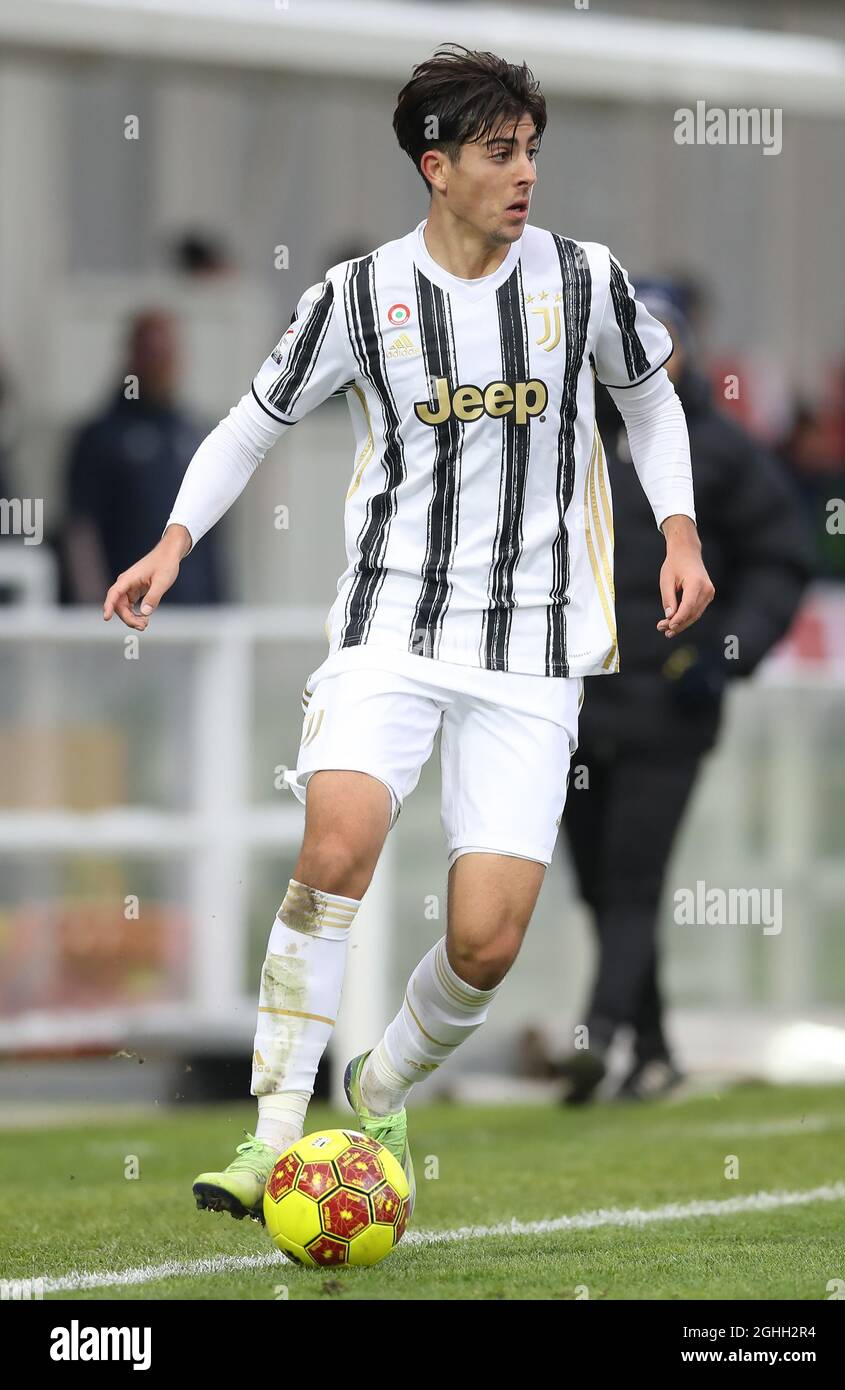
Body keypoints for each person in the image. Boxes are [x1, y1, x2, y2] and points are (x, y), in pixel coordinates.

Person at [102, 46, 713, 1226]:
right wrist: (174, 540)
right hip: (390, 620)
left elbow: (648, 395)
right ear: (435, 168)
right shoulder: (357, 297)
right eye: (498, 153)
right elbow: (251, 419)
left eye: (531, 149)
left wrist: (677, 532)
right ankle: (271, 1134)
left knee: (485, 942)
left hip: (533, 646)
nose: (524, 172)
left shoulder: (584, 281)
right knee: (335, 845)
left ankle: (376, 1090)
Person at [557, 281, 814, 1105]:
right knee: (598, 883)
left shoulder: (723, 451)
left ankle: (594, 1033)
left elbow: (782, 561)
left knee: (632, 879)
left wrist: (724, 655)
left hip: (671, 707)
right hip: (572, 702)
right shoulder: (570, 440)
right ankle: (656, 1050)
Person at [63, 311, 224, 605]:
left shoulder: (194, 433)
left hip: (195, 614)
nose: (162, 364)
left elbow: (214, 530)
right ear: (133, 356)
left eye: (168, 354)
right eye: (153, 353)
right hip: (130, 610)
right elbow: (81, 530)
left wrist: (224, 605)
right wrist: (93, 606)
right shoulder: (100, 436)